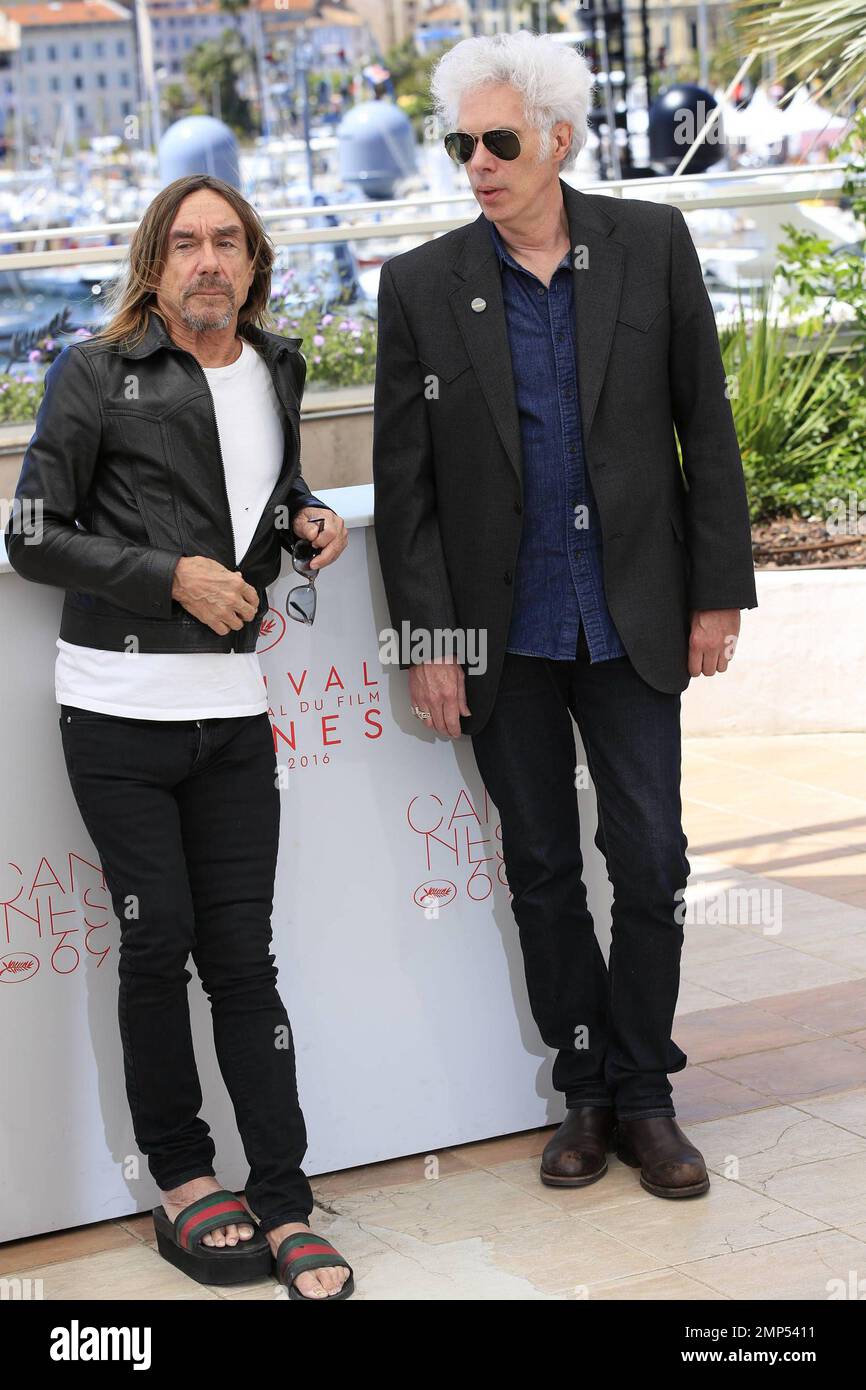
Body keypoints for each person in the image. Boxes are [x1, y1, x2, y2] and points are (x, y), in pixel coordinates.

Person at [372, 32, 757, 1200]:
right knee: (539, 865)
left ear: (557, 141)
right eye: (460, 145)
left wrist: (713, 589)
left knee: (648, 858)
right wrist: (429, 648)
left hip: (633, 614)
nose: (476, 165)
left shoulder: (648, 243)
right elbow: (408, 493)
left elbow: (706, 420)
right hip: (503, 634)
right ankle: (584, 1090)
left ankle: (647, 1093)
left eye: (497, 142)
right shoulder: (422, 283)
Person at [4, 174, 354, 1299]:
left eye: (228, 243)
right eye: (186, 243)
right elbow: (32, 533)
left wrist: (301, 516)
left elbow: (261, 483)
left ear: (252, 264)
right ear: (154, 265)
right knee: (158, 950)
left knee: (244, 958)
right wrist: (170, 576)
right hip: (116, 708)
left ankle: (286, 1196)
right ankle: (184, 1179)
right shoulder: (94, 374)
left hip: (236, 717)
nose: (208, 261)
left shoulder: (277, 366)